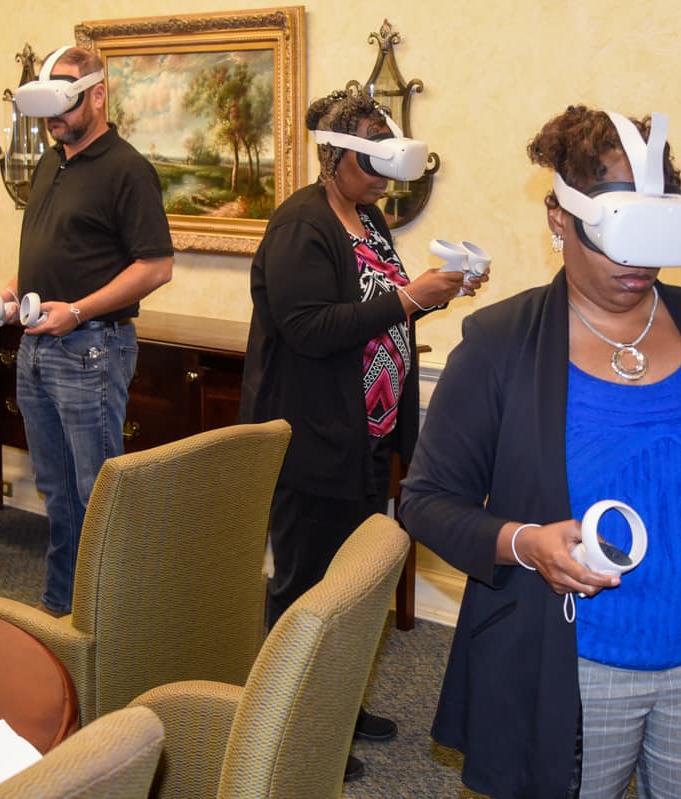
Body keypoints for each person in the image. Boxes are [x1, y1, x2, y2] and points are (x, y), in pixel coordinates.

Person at [399, 105, 681, 799]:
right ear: (559, 219)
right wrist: (525, 543)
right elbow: (426, 502)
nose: (638, 262)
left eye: (655, 235)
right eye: (618, 235)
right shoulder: (500, 344)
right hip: (572, 667)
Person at [238, 89, 488, 781]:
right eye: (371, 163)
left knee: (350, 588)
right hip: (313, 439)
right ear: (333, 156)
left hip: (365, 436)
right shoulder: (301, 225)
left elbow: (375, 310)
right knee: (305, 591)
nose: (383, 179)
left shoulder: (368, 218)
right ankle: (290, 731)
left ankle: (338, 708)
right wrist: (410, 297)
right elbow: (311, 328)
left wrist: (436, 294)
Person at [0, 46, 173, 616]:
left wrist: (78, 311)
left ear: (98, 95)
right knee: (56, 490)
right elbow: (49, 248)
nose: (54, 117)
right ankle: (62, 611)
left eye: (64, 103)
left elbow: (156, 267)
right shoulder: (52, 162)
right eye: (46, 106)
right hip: (36, 346)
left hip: (90, 347)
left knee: (98, 495)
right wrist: (10, 291)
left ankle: (113, 623)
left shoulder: (127, 169)